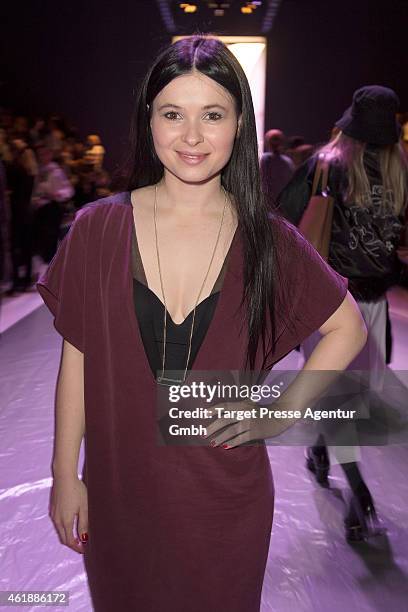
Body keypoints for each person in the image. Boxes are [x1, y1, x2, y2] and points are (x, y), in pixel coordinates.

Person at [36, 35, 366, 611]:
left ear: (239, 124)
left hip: (224, 506)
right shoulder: (97, 230)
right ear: (150, 121)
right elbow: (78, 358)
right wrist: (65, 473)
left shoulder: (268, 239)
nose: (191, 136)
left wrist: (281, 412)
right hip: (120, 501)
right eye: (173, 114)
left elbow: (348, 327)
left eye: (212, 115)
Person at [278, 85, 408, 541]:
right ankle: (351, 481)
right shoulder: (401, 173)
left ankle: (336, 468)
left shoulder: (325, 166)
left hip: (334, 304)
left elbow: (288, 225)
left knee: (341, 398)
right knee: (348, 399)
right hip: (367, 305)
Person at [31, 144, 74, 263]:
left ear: (50, 155)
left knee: (51, 238)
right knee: (43, 239)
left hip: (52, 208)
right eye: (40, 155)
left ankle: (52, 267)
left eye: (45, 154)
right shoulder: (39, 171)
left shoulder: (56, 171)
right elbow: (36, 190)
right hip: (41, 209)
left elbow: (68, 190)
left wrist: (57, 195)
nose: (42, 157)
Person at [260, 128, 294, 209]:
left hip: (281, 204)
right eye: (273, 139)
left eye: (277, 139)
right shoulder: (264, 159)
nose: (275, 143)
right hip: (270, 203)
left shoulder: (287, 161)